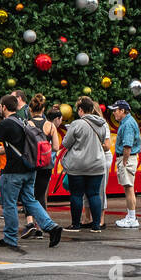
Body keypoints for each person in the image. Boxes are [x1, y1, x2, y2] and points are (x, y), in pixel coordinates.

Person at [0, 93, 61, 253]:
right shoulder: (22, 121)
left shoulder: (5, 124)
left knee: (9, 203)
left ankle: (10, 238)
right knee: (30, 200)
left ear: (3, 107)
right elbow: (11, 148)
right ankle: (51, 226)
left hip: (13, 172)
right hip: (29, 169)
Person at [61, 96, 110, 232]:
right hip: (97, 163)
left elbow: (66, 143)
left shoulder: (77, 124)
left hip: (78, 165)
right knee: (94, 194)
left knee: (76, 194)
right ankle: (96, 225)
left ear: (81, 110)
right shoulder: (101, 123)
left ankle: (76, 225)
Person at [21, 95, 61, 240]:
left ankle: (30, 223)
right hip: (45, 165)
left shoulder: (26, 124)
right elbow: (56, 147)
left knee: (28, 194)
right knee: (40, 195)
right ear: (43, 109)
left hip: (30, 164)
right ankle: (42, 226)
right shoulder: (50, 126)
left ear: (30, 109)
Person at [110, 99, 141, 228]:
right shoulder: (128, 121)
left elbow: (127, 145)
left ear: (122, 111)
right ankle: (130, 216)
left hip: (127, 158)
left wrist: (124, 161)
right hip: (128, 158)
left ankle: (132, 218)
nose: (114, 113)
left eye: (115, 111)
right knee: (128, 187)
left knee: (129, 188)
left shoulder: (127, 124)